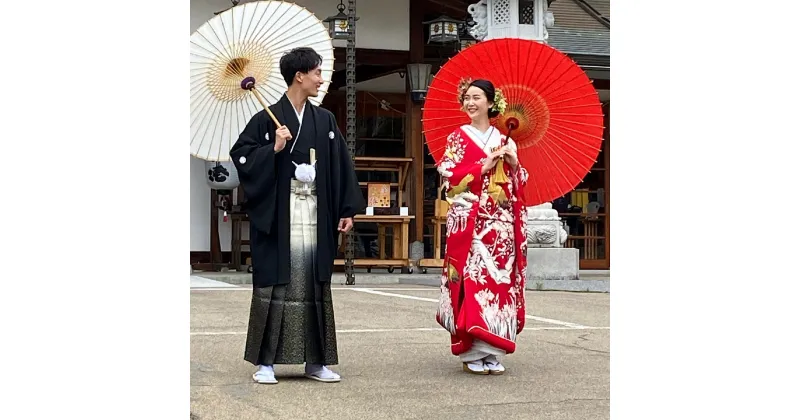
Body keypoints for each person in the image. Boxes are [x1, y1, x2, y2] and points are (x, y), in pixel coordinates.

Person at [230, 47, 365, 384]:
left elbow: (341, 164)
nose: (322, 80)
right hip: (281, 212)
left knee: (313, 282)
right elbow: (241, 155)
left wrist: (347, 207)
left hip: (316, 210)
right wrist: (272, 149)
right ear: (299, 76)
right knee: (278, 281)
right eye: (317, 73)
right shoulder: (267, 118)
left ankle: (315, 361)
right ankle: (266, 363)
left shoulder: (325, 120)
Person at [435, 78, 529, 375]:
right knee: (472, 283)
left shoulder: (505, 140)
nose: (470, 103)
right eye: (466, 98)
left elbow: (521, 184)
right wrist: (480, 168)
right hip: (470, 225)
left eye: (476, 97)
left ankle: (493, 350)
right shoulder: (457, 138)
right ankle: (472, 350)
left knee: (499, 285)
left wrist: (513, 165)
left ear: (491, 103)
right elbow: (448, 175)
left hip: (500, 228)